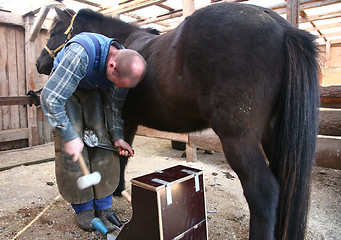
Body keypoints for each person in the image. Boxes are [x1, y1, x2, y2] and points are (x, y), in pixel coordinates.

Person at [40, 32, 146, 231]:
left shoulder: (123, 68)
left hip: (95, 86)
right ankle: (84, 209)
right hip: (66, 90)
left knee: (103, 140)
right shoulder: (79, 55)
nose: (117, 87)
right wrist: (70, 136)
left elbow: (113, 107)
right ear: (112, 65)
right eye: (116, 83)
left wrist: (117, 136)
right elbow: (50, 98)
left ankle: (104, 207)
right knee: (72, 149)